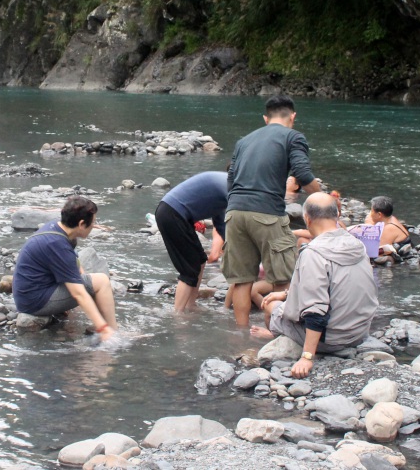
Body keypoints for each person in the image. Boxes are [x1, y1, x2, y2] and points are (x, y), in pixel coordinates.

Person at [251, 193, 378, 379]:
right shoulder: (357, 244)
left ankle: (277, 336)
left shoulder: (313, 253)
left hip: (331, 340)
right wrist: (286, 294)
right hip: (359, 333)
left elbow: (315, 311)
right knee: (280, 298)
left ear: (307, 219)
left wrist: (307, 357)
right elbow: (336, 288)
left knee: (269, 305)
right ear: (337, 216)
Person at [223, 95, 322, 327]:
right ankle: (276, 332)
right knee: (281, 276)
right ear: (293, 116)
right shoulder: (293, 136)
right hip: (267, 213)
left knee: (241, 280)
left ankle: (241, 335)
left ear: (266, 118)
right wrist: (322, 197)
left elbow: (230, 180)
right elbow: (303, 173)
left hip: (235, 212)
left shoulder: (244, 141)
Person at [12, 196, 118, 341]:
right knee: (102, 281)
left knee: (90, 282)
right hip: (34, 301)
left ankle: (101, 326)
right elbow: (79, 294)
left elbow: (72, 262)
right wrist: (102, 327)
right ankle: (111, 331)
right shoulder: (57, 244)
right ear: (81, 224)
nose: (94, 226)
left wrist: (86, 284)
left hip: (30, 292)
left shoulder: (57, 228)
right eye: (93, 223)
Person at [155, 171, 228, 312]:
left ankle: (190, 304)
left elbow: (221, 225)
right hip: (172, 213)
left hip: (175, 213)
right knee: (189, 269)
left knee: (200, 260)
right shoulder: (229, 186)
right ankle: (178, 313)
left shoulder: (225, 188)